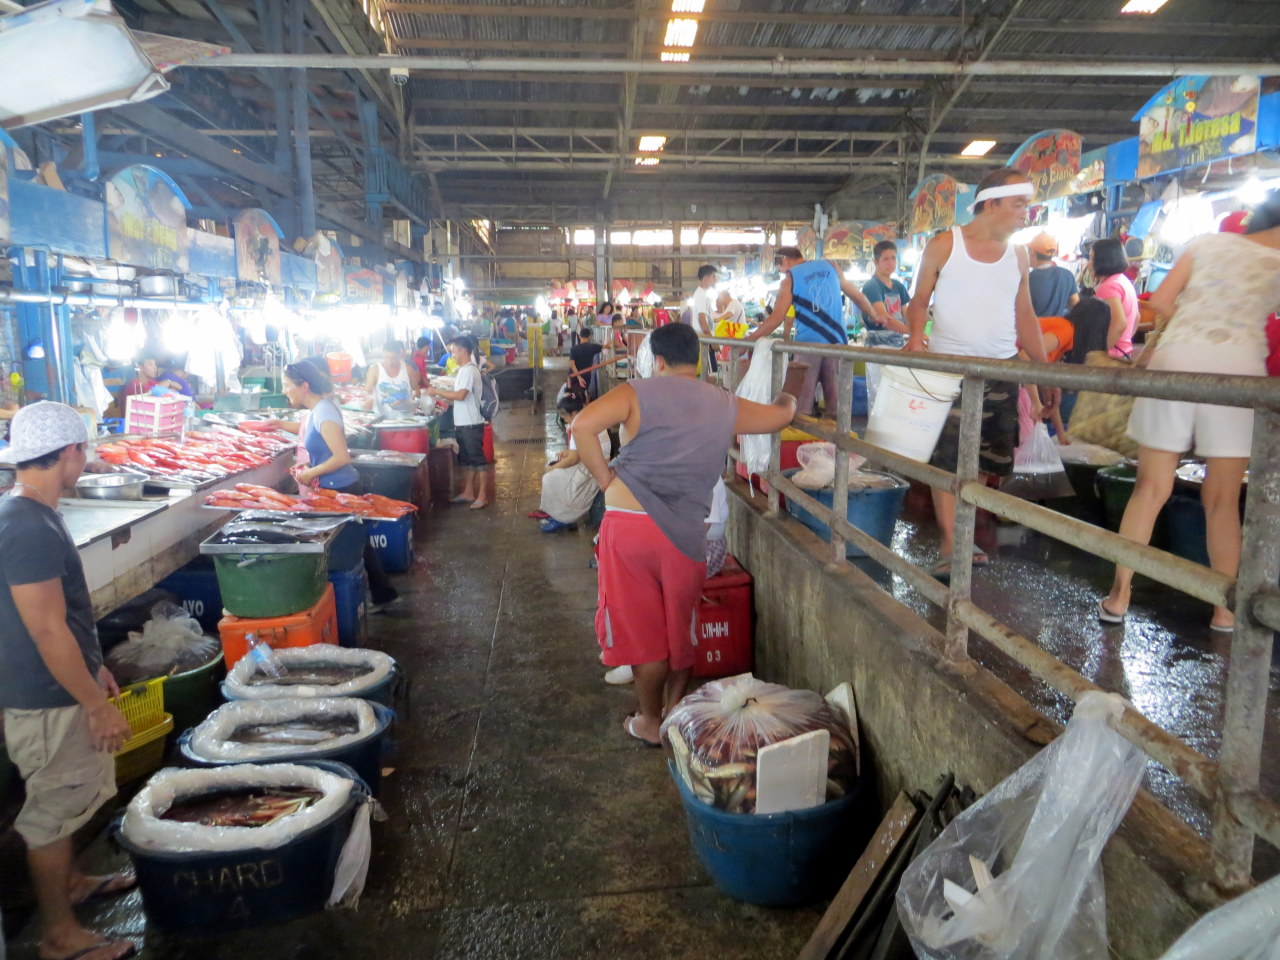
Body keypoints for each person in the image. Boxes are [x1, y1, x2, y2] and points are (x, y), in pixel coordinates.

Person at [573, 322, 797, 746]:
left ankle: (649, 722)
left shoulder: (637, 392)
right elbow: (779, 417)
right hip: (686, 537)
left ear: (657, 360)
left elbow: (583, 425)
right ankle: (675, 713)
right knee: (681, 629)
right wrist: (791, 392)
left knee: (644, 636)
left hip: (629, 526)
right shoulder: (723, 402)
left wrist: (606, 481)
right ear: (696, 359)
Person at [1100, 191, 1280, 632]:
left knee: (1150, 487)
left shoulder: (1206, 243)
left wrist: (1198, 315)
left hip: (1176, 360)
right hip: (1238, 372)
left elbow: (1159, 303)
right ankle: (1225, 609)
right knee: (1221, 499)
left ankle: (1120, 594)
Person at [0, 402, 137, 960]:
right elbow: (47, 629)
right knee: (52, 814)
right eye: (86, 451)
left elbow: (61, 625)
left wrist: (95, 664)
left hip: (56, 687)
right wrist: (94, 703)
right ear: (71, 453)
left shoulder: (31, 512)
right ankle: (59, 936)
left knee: (71, 795)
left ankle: (74, 883)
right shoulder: (27, 526)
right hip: (48, 699)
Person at [904, 168, 1059, 577]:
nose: (1026, 212)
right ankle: (952, 542)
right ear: (991, 204)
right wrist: (917, 338)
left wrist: (1046, 374)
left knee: (985, 461)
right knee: (946, 458)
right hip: (948, 370)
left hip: (1000, 371)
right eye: (1018, 204)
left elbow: (1025, 315)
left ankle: (963, 531)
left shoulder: (1019, 255)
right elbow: (918, 301)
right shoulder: (944, 245)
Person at [267, 361, 401, 612]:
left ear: (304, 386)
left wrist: (310, 473)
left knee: (351, 546)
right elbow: (309, 432)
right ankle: (383, 594)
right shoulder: (317, 410)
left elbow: (341, 456)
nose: (285, 390)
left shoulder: (324, 411)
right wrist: (277, 424)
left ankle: (349, 603)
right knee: (359, 544)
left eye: (287, 385)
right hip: (334, 488)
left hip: (340, 490)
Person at [748, 246, 879, 418]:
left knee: (802, 405)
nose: (781, 272)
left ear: (785, 261)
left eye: (780, 268)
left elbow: (776, 318)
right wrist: (874, 316)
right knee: (837, 405)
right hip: (837, 343)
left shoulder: (790, 279)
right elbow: (857, 296)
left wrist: (749, 339)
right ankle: (836, 443)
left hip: (808, 346)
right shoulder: (831, 266)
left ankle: (804, 440)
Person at [425, 336, 490, 510]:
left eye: (454, 351)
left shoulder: (469, 370)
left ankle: (482, 496)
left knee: (478, 460)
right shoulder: (462, 370)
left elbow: (462, 395)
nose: (452, 355)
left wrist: (437, 391)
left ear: (463, 350)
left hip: (471, 422)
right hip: (463, 422)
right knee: (467, 460)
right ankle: (468, 492)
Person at [539, 394, 610, 533]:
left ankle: (562, 518)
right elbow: (578, 451)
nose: (564, 420)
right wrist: (566, 453)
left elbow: (573, 459)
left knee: (550, 479)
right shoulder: (590, 417)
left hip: (594, 469)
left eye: (565, 416)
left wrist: (552, 468)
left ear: (574, 413)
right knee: (556, 475)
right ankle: (558, 514)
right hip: (597, 463)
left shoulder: (579, 426)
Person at [860, 240, 912, 410]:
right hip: (879, 346)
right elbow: (884, 319)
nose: (891, 263)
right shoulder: (871, 286)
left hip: (899, 346)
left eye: (893, 258)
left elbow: (907, 315)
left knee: (898, 395)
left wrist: (914, 332)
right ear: (876, 262)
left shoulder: (899, 286)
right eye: (886, 259)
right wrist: (913, 333)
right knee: (879, 394)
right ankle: (875, 435)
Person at [1090, 238, 1139, 360]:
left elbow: (1120, 323)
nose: (1088, 263)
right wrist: (1124, 341)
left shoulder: (1108, 286)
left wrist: (1102, 350)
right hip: (1124, 353)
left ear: (1101, 260)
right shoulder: (1123, 281)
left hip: (1112, 356)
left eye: (1091, 258)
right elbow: (1137, 317)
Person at [1027, 233, 1080, 319]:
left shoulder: (1027, 279)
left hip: (1036, 329)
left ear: (1032, 252)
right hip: (1058, 329)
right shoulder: (1067, 275)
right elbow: (1075, 304)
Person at [364, 339, 421, 417]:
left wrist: (409, 399)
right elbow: (368, 390)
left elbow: (416, 390)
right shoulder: (375, 369)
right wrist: (369, 399)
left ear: (399, 355)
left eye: (393, 358)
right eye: (386, 357)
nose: (389, 361)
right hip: (382, 419)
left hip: (405, 418)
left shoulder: (407, 368)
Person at [690, 265, 720, 374]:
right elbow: (702, 320)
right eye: (713, 277)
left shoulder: (702, 295)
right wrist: (712, 341)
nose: (714, 280)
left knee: (710, 372)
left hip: (704, 338)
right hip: (705, 339)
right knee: (710, 374)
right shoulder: (700, 295)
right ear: (706, 278)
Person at [569, 327, 605, 401]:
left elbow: (572, 365)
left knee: (574, 395)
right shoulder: (592, 347)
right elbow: (607, 346)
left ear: (579, 336)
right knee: (584, 394)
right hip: (586, 375)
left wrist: (579, 377)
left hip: (574, 375)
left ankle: (575, 409)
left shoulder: (573, 349)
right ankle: (585, 408)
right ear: (589, 337)